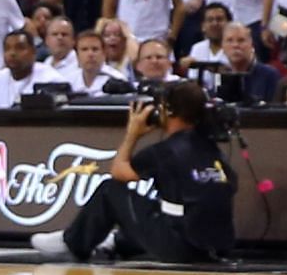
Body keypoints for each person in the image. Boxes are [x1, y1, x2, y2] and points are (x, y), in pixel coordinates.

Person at [30, 81, 236, 264]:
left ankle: (73, 243)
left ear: (167, 111)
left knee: (110, 191)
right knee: (162, 207)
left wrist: (132, 133)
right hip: (218, 247)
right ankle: (117, 242)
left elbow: (118, 172)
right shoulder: (213, 148)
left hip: (181, 249)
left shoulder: (165, 151)